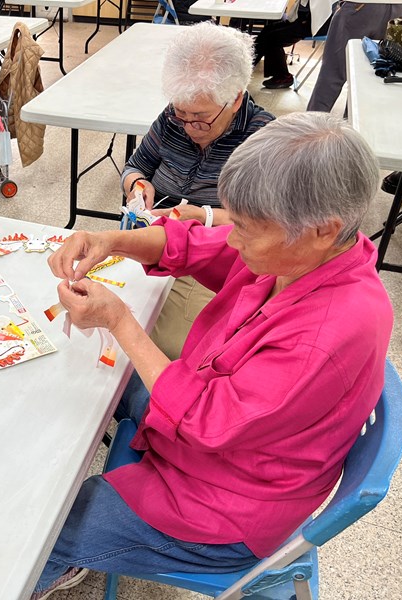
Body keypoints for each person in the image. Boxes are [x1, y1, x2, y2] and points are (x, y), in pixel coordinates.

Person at [34, 112, 392, 599]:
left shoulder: (327, 332)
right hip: (217, 431)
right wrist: (110, 240)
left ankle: (53, 562)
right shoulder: (307, 252)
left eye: (246, 227)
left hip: (222, 507)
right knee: (106, 380)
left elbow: (204, 419)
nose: (233, 236)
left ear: (323, 229)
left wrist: (119, 320)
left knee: (46, 524)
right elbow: (197, 242)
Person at [120, 21, 275, 360]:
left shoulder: (264, 140)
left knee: (174, 347)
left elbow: (267, 223)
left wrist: (204, 217)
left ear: (235, 98)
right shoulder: (172, 119)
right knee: (103, 313)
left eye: (201, 118)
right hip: (154, 237)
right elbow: (135, 166)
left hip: (211, 259)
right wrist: (138, 185)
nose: (189, 128)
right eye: (182, 114)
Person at [307, 0, 402, 112]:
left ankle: (312, 124)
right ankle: (352, 126)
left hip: (362, 6)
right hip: (399, 8)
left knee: (333, 72)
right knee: (368, 76)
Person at [254, 3, 330, 89]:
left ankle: (283, 77)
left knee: (273, 37)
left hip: (315, 24)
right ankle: (249, 64)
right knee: (267, 30)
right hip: (303, 19)